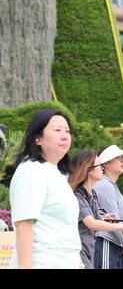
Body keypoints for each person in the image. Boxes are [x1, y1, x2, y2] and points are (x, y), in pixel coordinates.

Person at [8, 109, 81, 268]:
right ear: (37, 138)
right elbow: (24, 225)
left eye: (67, 131)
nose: (64, 135)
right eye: (57, 130)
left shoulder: (55, 173)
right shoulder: (32, 171)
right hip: (42, 262)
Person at [68, 150, 123, 269]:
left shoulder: (92, 195)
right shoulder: (78, 196)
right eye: (99, 165)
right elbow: (92, 223)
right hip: (79, 255)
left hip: (88, 252)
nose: (102, 168)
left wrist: (103, 218)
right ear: (89, 170)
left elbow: (95, 219)